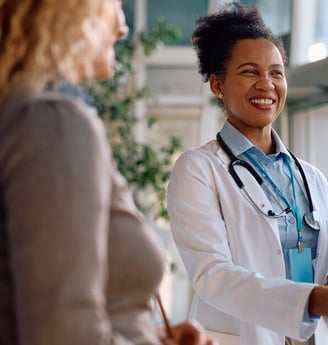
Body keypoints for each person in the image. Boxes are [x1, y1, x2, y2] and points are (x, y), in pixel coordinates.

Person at [166, 3, 328, 345]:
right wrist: (319, 299)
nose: (266, 84)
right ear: (217, 84)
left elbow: (323, 271)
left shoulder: (311, 177)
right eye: (249, 72)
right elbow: (213, 277)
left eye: (276, 72)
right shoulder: (198, 169)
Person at [0, 1, 217, 345]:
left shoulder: (22, 116)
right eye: (113, 4)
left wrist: (153, 338)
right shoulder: (53, 123)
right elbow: (64, 337)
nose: (122, 27)